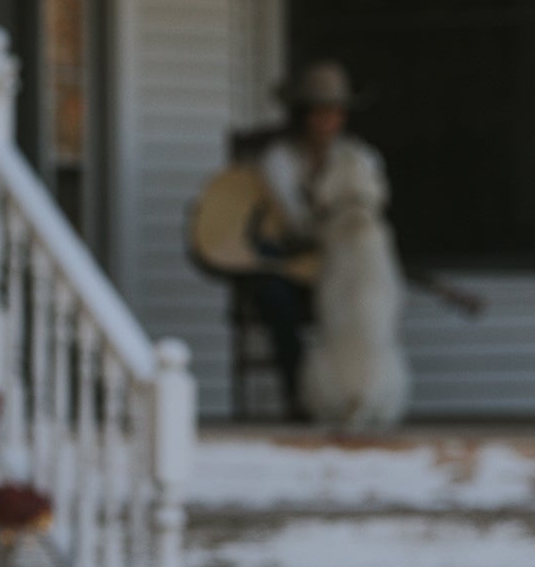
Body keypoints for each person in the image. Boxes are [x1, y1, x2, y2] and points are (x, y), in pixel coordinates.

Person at [187, 61, 481, 422]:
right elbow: (291, 221)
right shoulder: (279, 160)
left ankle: (362, 397)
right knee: (272, 293)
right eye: (321, 112)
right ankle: (298, 396)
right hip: (293, 263)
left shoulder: (357, 158)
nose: (329, 120)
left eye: (336, 112)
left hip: (341, 266)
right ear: (304, 114)